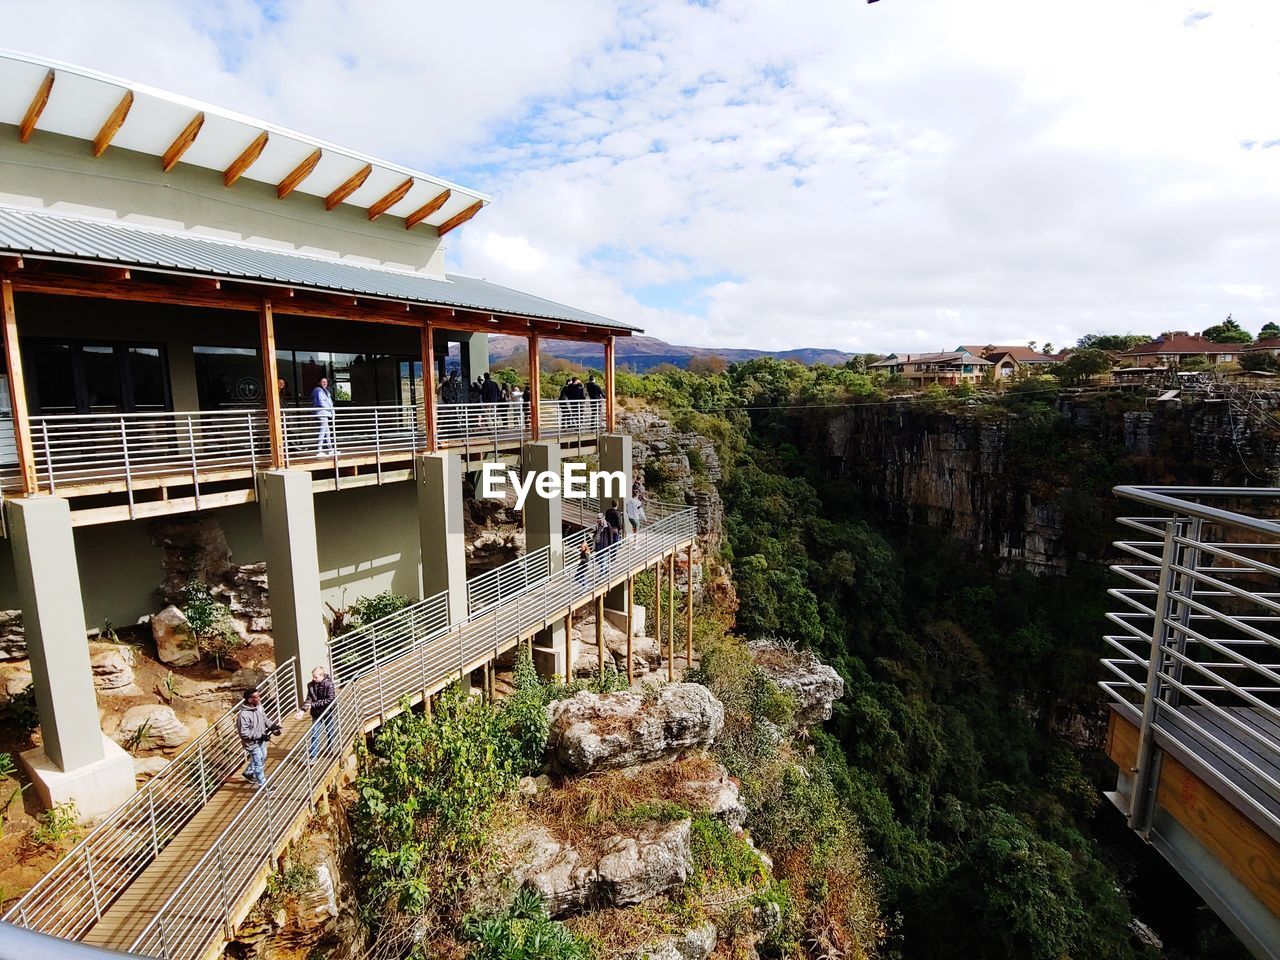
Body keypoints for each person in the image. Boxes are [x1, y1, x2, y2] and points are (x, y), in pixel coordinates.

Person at [237, 688, 280, 787]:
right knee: (259, 761)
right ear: (250, 700)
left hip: (261, 740)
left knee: (263, 756)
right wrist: (260, 736)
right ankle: (262, 784)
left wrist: (273, 726)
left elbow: (264, 718)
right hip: (251, 743)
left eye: (259, 696)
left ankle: (248, 772)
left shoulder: (259, 707)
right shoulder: (243, 715)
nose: (259, 699)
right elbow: (244, 733)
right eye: (257, 697)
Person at [296, 666, 337, 758]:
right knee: (315, 732)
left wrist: (314, 705)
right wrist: (302, 711)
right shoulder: (310, 685)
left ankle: (330, 749)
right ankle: (313, 755)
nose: (314, 679)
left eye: (316, 677)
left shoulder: (329, 684)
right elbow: (309, 699)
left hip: (327, 711)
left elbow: (330, 699)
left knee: (330, 730)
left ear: (322, 675)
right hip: (316, 712)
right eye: (313, 677)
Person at [311, 376, 336, 456]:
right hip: (322, 413)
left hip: (326, 413)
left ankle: (330, 449)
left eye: (326, 382)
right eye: (323, 382)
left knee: (327, 431)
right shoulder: (319, 391)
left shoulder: (325, 391)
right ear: (319, 383)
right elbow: (322, 402)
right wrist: (330, 409)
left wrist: (332, 411)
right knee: (323, 431)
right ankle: (319, 450)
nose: (325, 383)